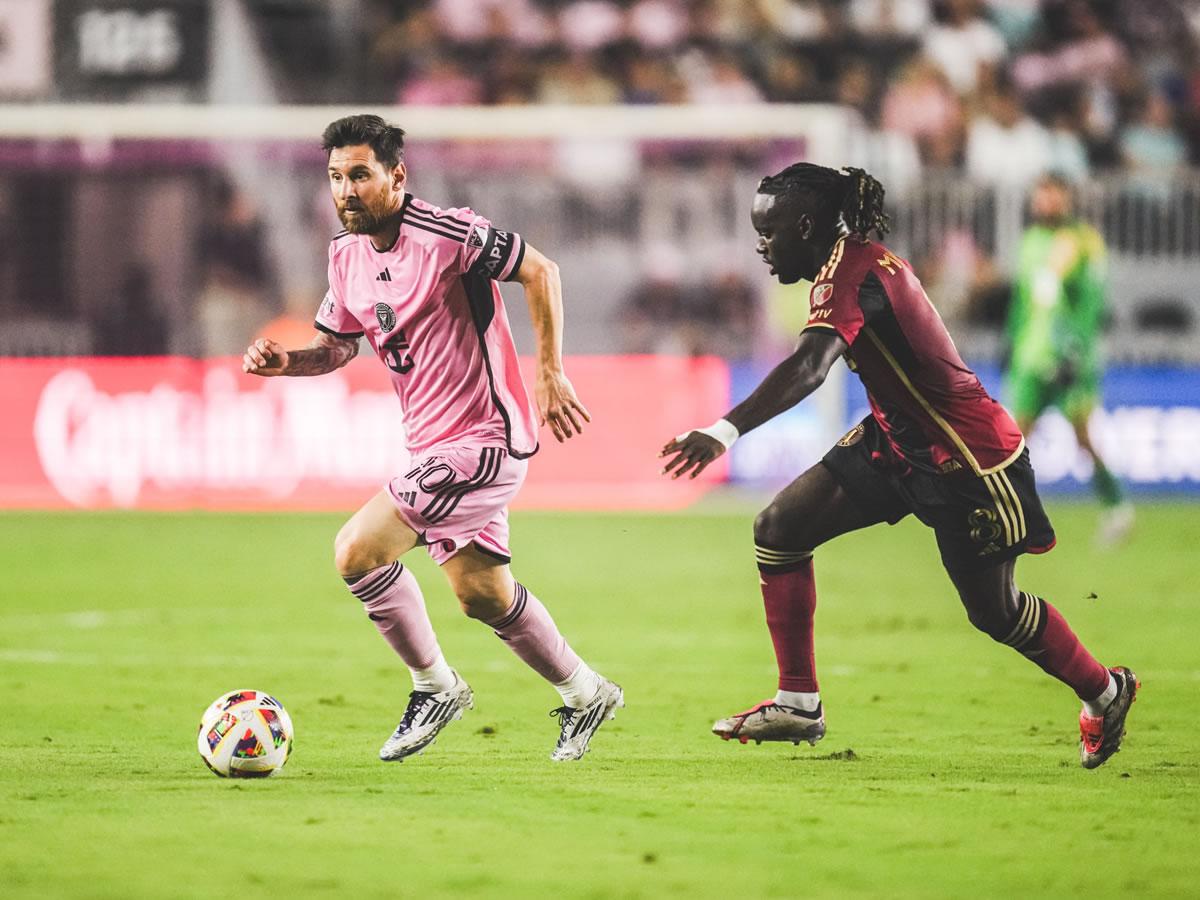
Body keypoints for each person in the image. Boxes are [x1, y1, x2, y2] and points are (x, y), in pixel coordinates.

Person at [660, 162, 1137, 769]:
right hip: (897, 441)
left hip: (968, 458)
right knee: (779, 529)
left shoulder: (849, 274)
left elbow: (810, 367)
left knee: (994, 611)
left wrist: (724, 429)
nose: (761, 246)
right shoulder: (849, 262)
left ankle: (1104, 689)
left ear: (806, 226)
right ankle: (799, 702)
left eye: (769, 232)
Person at [242, 115, 622, 763]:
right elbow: (337, 348)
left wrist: (550, 371)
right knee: (481, 594)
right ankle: (586, 692)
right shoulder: (344, 254)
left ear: (396, 175)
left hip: (485, 440)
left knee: (357, 550)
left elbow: (542, 271)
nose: (346, 190)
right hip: (431, 447)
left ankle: (434, 686)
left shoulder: (449, 233)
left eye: (360, 174)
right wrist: (290, 365)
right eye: (335, 177)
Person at [1006, 173, 1132, 545]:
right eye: (1040, 195)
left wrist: (1075, 351)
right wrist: (1009, 342)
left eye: (1051, 195)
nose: (1044, 202)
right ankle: (1015, 518)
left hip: (1071, 361)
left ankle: (1116, 507)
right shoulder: (1030, 242)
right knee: (1013, 440)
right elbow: (1023, 301)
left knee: (1082, 438)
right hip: (1030, 358)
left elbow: (1091, 302)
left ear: (1066, 199)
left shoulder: (1082, 242)